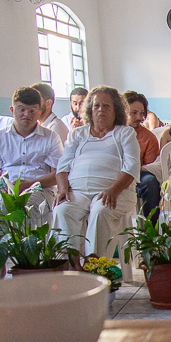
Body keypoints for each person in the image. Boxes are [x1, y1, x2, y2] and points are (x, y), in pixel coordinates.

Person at [53, 86, 141, 256]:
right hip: (78, 192)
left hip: (115, 191)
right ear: (90, 110)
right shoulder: (77, 134)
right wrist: (63, 189)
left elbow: (132, 167)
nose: (101, 110)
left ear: (116, 110)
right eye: (96, 106)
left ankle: (95, 264)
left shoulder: (125, 133)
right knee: (62, 210)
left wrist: (114, 190)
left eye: (107, 106)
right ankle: (68, 263)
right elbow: (62, 166)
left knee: (100, 211)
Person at [0, 86, 63, 225]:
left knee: (24, 207)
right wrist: (0, 185)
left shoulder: (51, 138)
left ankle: (28, 246)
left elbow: (57, 174)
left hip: (40, 190)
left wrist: (29, 184)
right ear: (12, 110)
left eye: (32, 110)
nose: (26, 114)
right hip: (7, 190)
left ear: (39, 112)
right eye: (21, 109)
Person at [124, 90, 162, 221]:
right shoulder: (111, 132)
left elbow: (150, 166)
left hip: (137, 175)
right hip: (111, 173)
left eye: (141, 114)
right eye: (133, 113)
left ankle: (151, 232)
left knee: (150, 181)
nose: (139, 118)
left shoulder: (148, 137)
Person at [33, 81, 68, 146]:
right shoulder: (38, 124)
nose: (31, 106)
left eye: (36, 101)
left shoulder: (55, 128)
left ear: (48, 103)